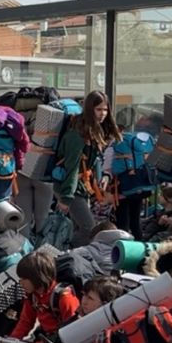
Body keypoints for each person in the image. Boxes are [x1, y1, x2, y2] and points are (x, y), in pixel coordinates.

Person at [56, 90, 118, 247]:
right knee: (88, 227)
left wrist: (103, 177)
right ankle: (66, 255)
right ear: (90, 109)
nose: (103, 113)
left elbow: (93, 162)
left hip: (82, 187)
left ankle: (72, 259)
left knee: (80, 227)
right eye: (98, 109)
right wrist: (66, 198)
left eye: (105, 109)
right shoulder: (77, 134)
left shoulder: (93, 131)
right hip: (70, 187)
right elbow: (72, 167)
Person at [9, 250, 80, 342]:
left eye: (24, 279)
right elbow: (26, 321)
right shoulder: (33, 295)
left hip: (61, 342)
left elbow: (74, 330)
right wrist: (13, 339)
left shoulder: (64, 297)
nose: (21, 283)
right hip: (46, 337)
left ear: (38, 277)